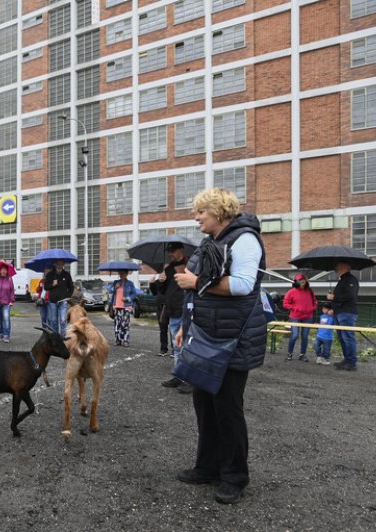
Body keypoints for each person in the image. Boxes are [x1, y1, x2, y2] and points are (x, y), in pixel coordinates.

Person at [173, 187, 267, 505]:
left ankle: (235, 477)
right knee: (204, 405)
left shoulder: (245, 239)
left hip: (234, 338)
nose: (196, 217)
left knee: (228, 410)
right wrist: (186, 329)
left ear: (219, 212)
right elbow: (196, 283)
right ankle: (208, 467)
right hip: (208, 334)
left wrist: (197, 282)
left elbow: (242, 284)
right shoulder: (211, 241)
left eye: (201, 211)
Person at [159, 242, 190, 391]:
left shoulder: (191, 265)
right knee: (177, 346)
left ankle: (190, 379)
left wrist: (185, 272)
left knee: (188, 346)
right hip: (172, 311)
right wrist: (161, 280)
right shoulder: (169, 269)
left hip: (187, 311)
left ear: (181, 250)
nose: (170, 254)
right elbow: (163, 290)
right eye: (168, 251)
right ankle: (179, 376)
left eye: (172, 251)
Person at [327, 261, 359, 371]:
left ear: (345, 266)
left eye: (337, 265)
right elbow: (341, 297)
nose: (335, 267)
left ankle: (351, 362)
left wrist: (334, 298)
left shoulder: (350, 280)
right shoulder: (342, 280)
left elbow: (350, 296)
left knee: (348, 338)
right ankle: (347, 360)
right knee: (342, 338)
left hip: (347, 313)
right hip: (340, 313)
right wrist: (333, 307)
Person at [283, 273, 318, 362]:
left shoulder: (310, 291)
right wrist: (295, 308)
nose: (302, 281)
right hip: (295, 317)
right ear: (296, 281)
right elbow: (285, 304)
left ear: (306, 281)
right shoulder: (291, 292)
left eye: (304, 279)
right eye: (300, 280)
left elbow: (315, 302)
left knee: (305, 336)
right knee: (294, 335)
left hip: (308, 317)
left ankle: (302, 355)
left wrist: (312, 308)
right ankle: (289, 354)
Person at [43, 259, 73, 337]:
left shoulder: (66, 274)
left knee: (63, 320)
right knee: (54, 321)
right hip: (52, 301)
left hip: (63, 301)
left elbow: (71, 287)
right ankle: (56, 338)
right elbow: (46, 287)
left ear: (63, 264)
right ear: (55, 264)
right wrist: (52, 284)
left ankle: (63, 338)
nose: (60, 265)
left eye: (61, 264)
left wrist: (68, 296)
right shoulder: (50, 274)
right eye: (58, 264)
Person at [109, 270, 137, 347]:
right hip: (117, 306)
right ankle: (118, 340)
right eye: (120, 273)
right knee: (117, 324)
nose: (121, 275)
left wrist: (127, 298)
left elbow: (134, 294)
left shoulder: (130, 283)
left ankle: (125, 340)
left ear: (126, 274)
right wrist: (115, 288)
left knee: (125, 324)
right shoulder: (116, 282)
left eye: (123, 273)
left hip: (126, 307)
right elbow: (110, 291)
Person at [0, 264, 15, 342]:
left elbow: (12, 291)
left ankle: (6, 336)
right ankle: (1, 334)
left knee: (6, 319)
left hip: (6, 303)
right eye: (2, 269)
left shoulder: (10, 279)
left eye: (5, 270)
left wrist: (11, 301)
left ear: (7, 271)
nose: (4, 271)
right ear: (0, 270)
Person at [149, 273, 168, 356]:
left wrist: (164, 282)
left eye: (164, 274)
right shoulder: (157, 282)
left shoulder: (170, 282)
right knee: (163, 329)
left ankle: (175, 350)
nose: (162, 276)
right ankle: (163, 349)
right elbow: (154, 293)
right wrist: (151, 284)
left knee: (173, 330)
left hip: (170, 307)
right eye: (161, 274)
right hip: (160, 308)